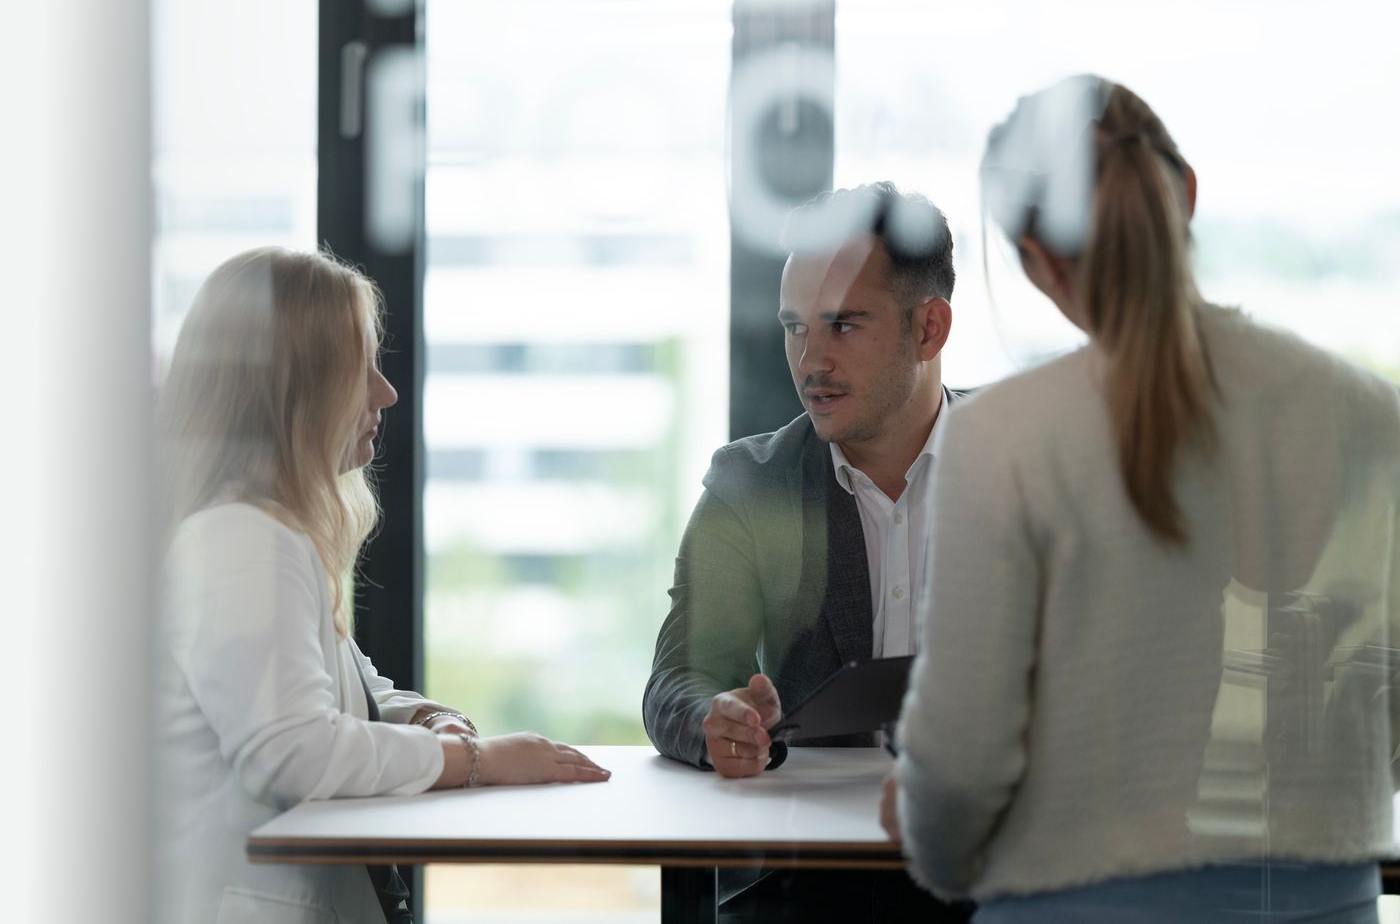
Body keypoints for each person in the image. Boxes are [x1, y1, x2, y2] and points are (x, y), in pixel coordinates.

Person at [883, 75, 1400, 922]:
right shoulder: (1373, 415)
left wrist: (925, 831)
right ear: (1185, 193)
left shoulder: (1003, 435)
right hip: (1327, 902)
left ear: (1035, 257)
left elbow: (962, 761)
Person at [155, 247, 610, 924]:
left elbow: (353, 692)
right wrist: (479, 760)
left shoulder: (259, 530)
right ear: (296, 387)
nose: (386, 393)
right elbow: (295, 752)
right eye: (360, 368)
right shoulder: (241, 540)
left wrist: (428, 718)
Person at [645, 183, 971, 921]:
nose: (810, 359)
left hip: (1000, 874)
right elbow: (677, 680)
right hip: (811, 890)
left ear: (930, 328)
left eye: (843, 325)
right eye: (795, 327)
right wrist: (718, 721)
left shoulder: (1029, 467)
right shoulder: (750, 484)